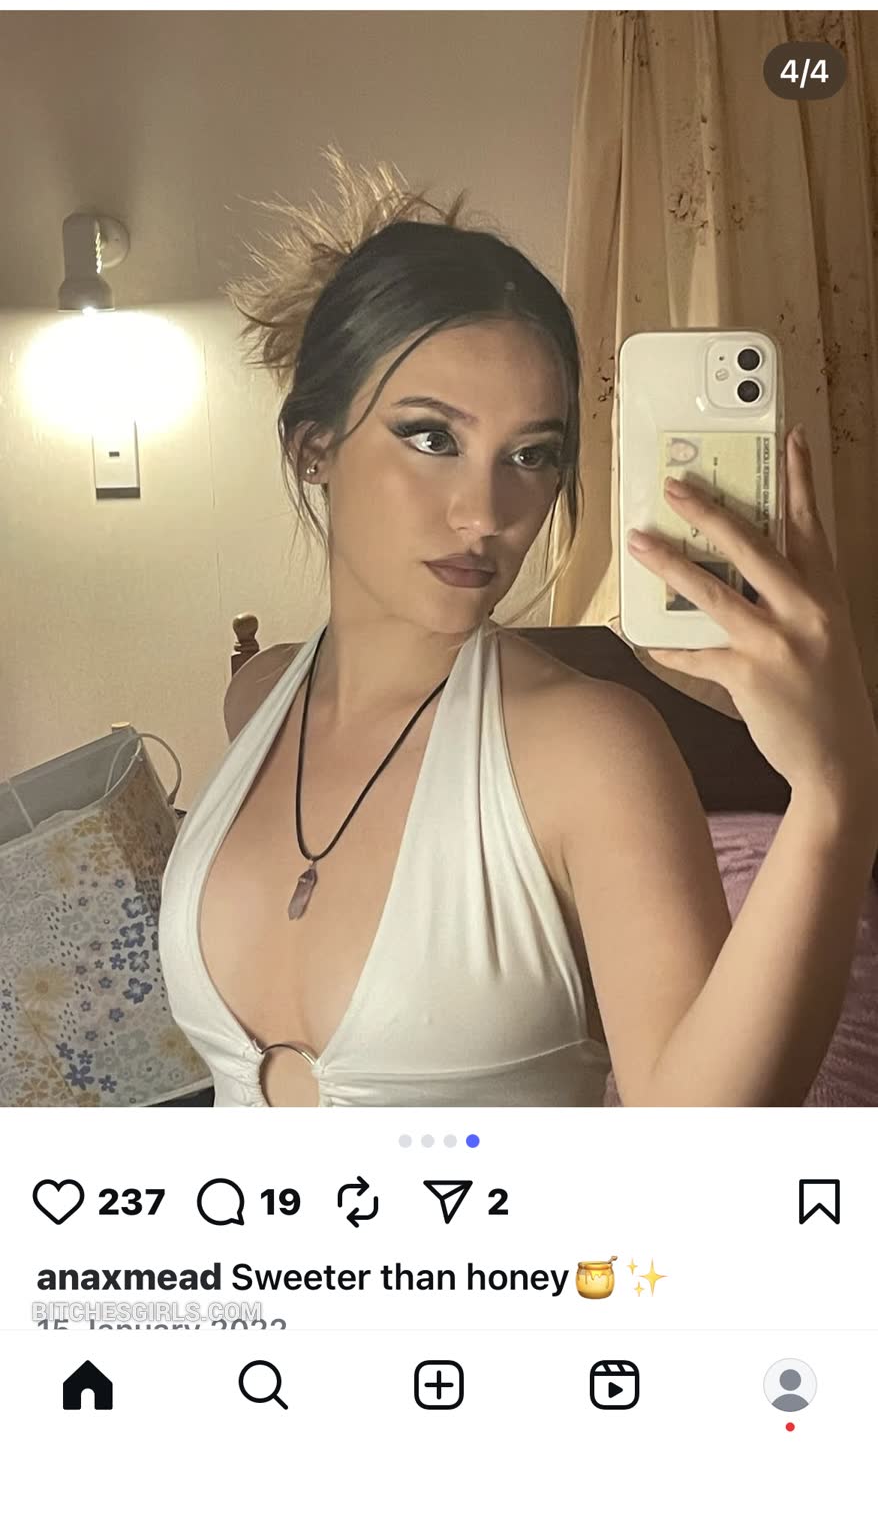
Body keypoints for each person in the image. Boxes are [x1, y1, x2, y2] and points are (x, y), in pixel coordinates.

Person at [158, 150, 878, 1108]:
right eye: (432, 437)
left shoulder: (590, 749)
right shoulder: (258, 695)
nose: (485, 513)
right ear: (314, 446)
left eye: (532, 455)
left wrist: (835, 792)